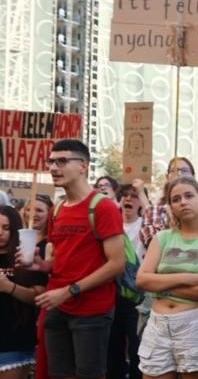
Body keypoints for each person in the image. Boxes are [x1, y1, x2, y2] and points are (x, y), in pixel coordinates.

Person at [18, 139, 125, 379]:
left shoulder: (103, 207)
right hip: (57, 304)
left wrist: (70, 290)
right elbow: (61, 259)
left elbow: (117, 264)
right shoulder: (58, 208)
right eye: (51, 161)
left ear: (83, 166)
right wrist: (41, 265)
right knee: (59, 374)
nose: (54, 167)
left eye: (62, 161)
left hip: (91, 309)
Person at [136, 176, 198, 378]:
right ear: (171, 206)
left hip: (195, 325)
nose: (183, 202)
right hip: (157, 324)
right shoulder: (162, 237)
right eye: (176, 199)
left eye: (188, 196)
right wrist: (185, 277)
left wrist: (160, 285)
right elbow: (142, 280)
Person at [107, 183, 147, 379]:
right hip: (113, 293)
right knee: (113, 345)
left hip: (138, 295)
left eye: (134, 196)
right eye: (124, 195)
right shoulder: (111, 225)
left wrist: (143, 191)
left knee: (137, 346)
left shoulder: (145, 225)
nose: (128, 199)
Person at [1, 206, 45, 378]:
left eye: (6, 228)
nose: (0, 233)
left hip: (14, 342)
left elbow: (40, 296)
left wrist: (9, 287)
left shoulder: (26, 257)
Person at [139, 157, 198, 250]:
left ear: (193, 176)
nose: (179, 174)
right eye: (174, 170)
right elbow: (152, 244)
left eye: (185, 170)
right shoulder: (151, 211)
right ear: (167, 177)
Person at [21, 195, 53, 379]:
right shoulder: (19, 238)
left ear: (50, 214)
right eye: (29, 209)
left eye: (39, 210)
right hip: (20, 311)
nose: (33, 214)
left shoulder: (50, 244)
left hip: (40, 309)